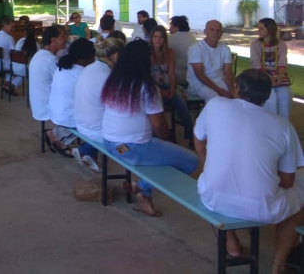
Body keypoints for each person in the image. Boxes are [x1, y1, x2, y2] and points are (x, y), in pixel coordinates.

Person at [194, 69, 304, 271]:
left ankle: (232, 240)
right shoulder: (283, 126)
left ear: (236, 88)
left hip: (211, 197)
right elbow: (288, 182)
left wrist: (211, 164)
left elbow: (199, 140)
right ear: (268, 95)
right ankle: (278, 264)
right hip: (263, 209)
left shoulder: (215, 105)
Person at [102, 40, 199, 217]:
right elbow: (159, 125)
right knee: (191, 161)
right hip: (131, 148)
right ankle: (140, 186)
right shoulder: (147, 86)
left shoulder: (114, 80)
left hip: (111, 145)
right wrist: (168, 142)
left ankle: (143, 196)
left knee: (161, 155)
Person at [74, 37, 125, 172]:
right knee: (127, 145)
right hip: (96, 131)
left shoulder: (89, 67)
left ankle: (86, 150)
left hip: (80, 124)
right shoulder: (109, 75)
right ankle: (86, 150)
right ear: (117, 56)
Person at [47, 39, 96, 156]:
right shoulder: (83, 73)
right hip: (67, 116)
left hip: (55, 110)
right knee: (98, 126)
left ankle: (58, 133)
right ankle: (60, 137)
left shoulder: (63, 66)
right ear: (87, 58)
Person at [149, 25, 193, 143]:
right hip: (152, 87)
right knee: (158, 104)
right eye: (155, 37)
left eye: (161, 37)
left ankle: (190, 134)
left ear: (165, 39)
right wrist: (159, 91)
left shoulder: (169, 52)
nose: (158, 40)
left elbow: (172, 73)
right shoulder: (147, 53)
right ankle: (164, 134)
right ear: (151, 38)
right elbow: (147, 78)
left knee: (180, 101)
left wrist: (173, 88)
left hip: (167, 84)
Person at [29, 25, 66, 145]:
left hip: (38, 104)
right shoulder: (50, 60)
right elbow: (67, 81)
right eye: (63, 36)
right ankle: (56, 134)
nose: (66, 38)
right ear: (53, 39)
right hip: (46, 106)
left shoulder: (39, 55)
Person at [250, 17, 292, 118]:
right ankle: (270, 123)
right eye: (258, 28)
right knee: (270, 97)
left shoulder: (281, 45)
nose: (258, 31)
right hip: (261, 76)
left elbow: (282, 62)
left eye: (261, 28)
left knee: (285, 95)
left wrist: (280, 76)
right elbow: (256, 64)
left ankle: (283, 123)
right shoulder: (255, 44)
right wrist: (269, 78)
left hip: (277, 77)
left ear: (270, 29)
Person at [186, 20, 235, 101]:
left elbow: (228, 72)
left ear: (222, 33)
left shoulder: (225, 48)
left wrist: (232, 90)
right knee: (215, 99)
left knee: (236, 98)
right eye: (212, 30)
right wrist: (220, 91)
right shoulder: (196, 48)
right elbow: (199, 75)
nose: (215, 32)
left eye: (218, 30)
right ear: (205, 32)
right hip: (198, 84)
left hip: (219, 82)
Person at [0, 16, 22, 94]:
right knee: (25, 69)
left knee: (10, 62)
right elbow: (14, 54)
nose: (13, 29)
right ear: (5, 26)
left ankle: (7, 83)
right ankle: (12, 84)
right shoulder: (9, 38)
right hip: (3, 64)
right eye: (12, 27)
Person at [168, 15, 196, 87]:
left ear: (176, 27)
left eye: (171, 26)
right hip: (193, 76)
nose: (169, 28)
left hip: (176, 76)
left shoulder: (170, 39)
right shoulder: (193, 38)